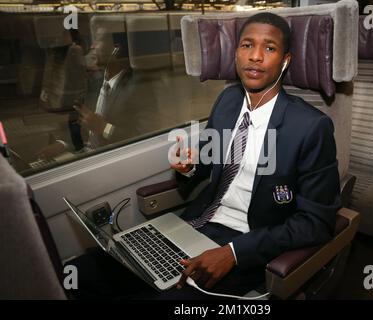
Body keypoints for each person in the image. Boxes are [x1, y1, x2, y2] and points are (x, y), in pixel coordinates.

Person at [68, 12, 340, 300]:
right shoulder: (228, 100)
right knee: (80, 272)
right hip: (194, 223)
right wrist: (189, 166)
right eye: (247, 45)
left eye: (269, 48)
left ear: (285, 61)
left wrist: (234, 254)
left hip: (247, 243)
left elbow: (316, 222)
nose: (256, 56)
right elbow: (210, 162)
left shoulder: (311, 127)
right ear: (236, 54)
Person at [37, 28, 156, 159]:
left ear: (115, 49)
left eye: (98, 40)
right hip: (87, 155)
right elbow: (81, 123)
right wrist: (62, 144)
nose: (92, 46)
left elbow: (143, 138)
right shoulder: (95, 81)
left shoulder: (139, 87)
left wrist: (105, 128)